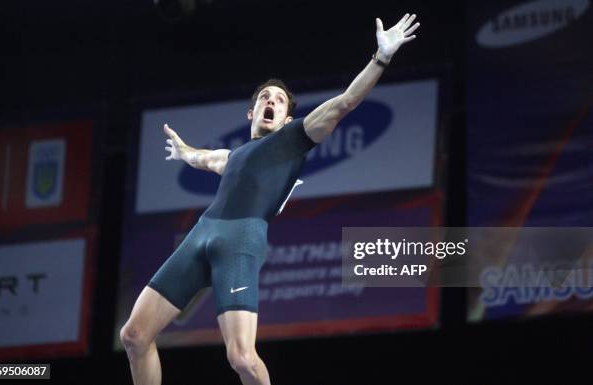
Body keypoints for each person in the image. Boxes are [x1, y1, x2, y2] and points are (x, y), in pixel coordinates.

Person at [120, 13, 420, 385]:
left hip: (241, 241)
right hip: (202, 234)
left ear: (285, 116)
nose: (271, 101)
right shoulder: (233, 157)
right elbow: (204, 157)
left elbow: (345, 102)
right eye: (265, 97)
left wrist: (381, 57)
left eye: (279, 100)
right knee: (133, 336)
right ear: (252, 112)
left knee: (243, 359)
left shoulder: (293, 139)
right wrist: (184, 153)